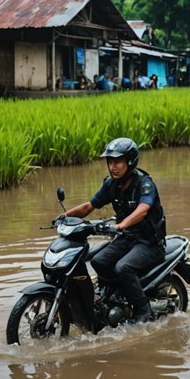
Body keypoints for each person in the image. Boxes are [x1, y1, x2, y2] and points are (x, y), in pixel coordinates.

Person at [60, 138, 167, 324]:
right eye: (109, 162)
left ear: (130, 161)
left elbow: (144, 208)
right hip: (126, 239)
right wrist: (63, 217)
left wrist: (121, 224)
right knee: (99, 261)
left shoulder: (145, 184)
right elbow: (89, 206)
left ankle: (144, 310)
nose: (112, 166)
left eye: (117, 161)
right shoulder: (111, 184)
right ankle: (114, 297)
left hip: (149, 243)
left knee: (123, 267)